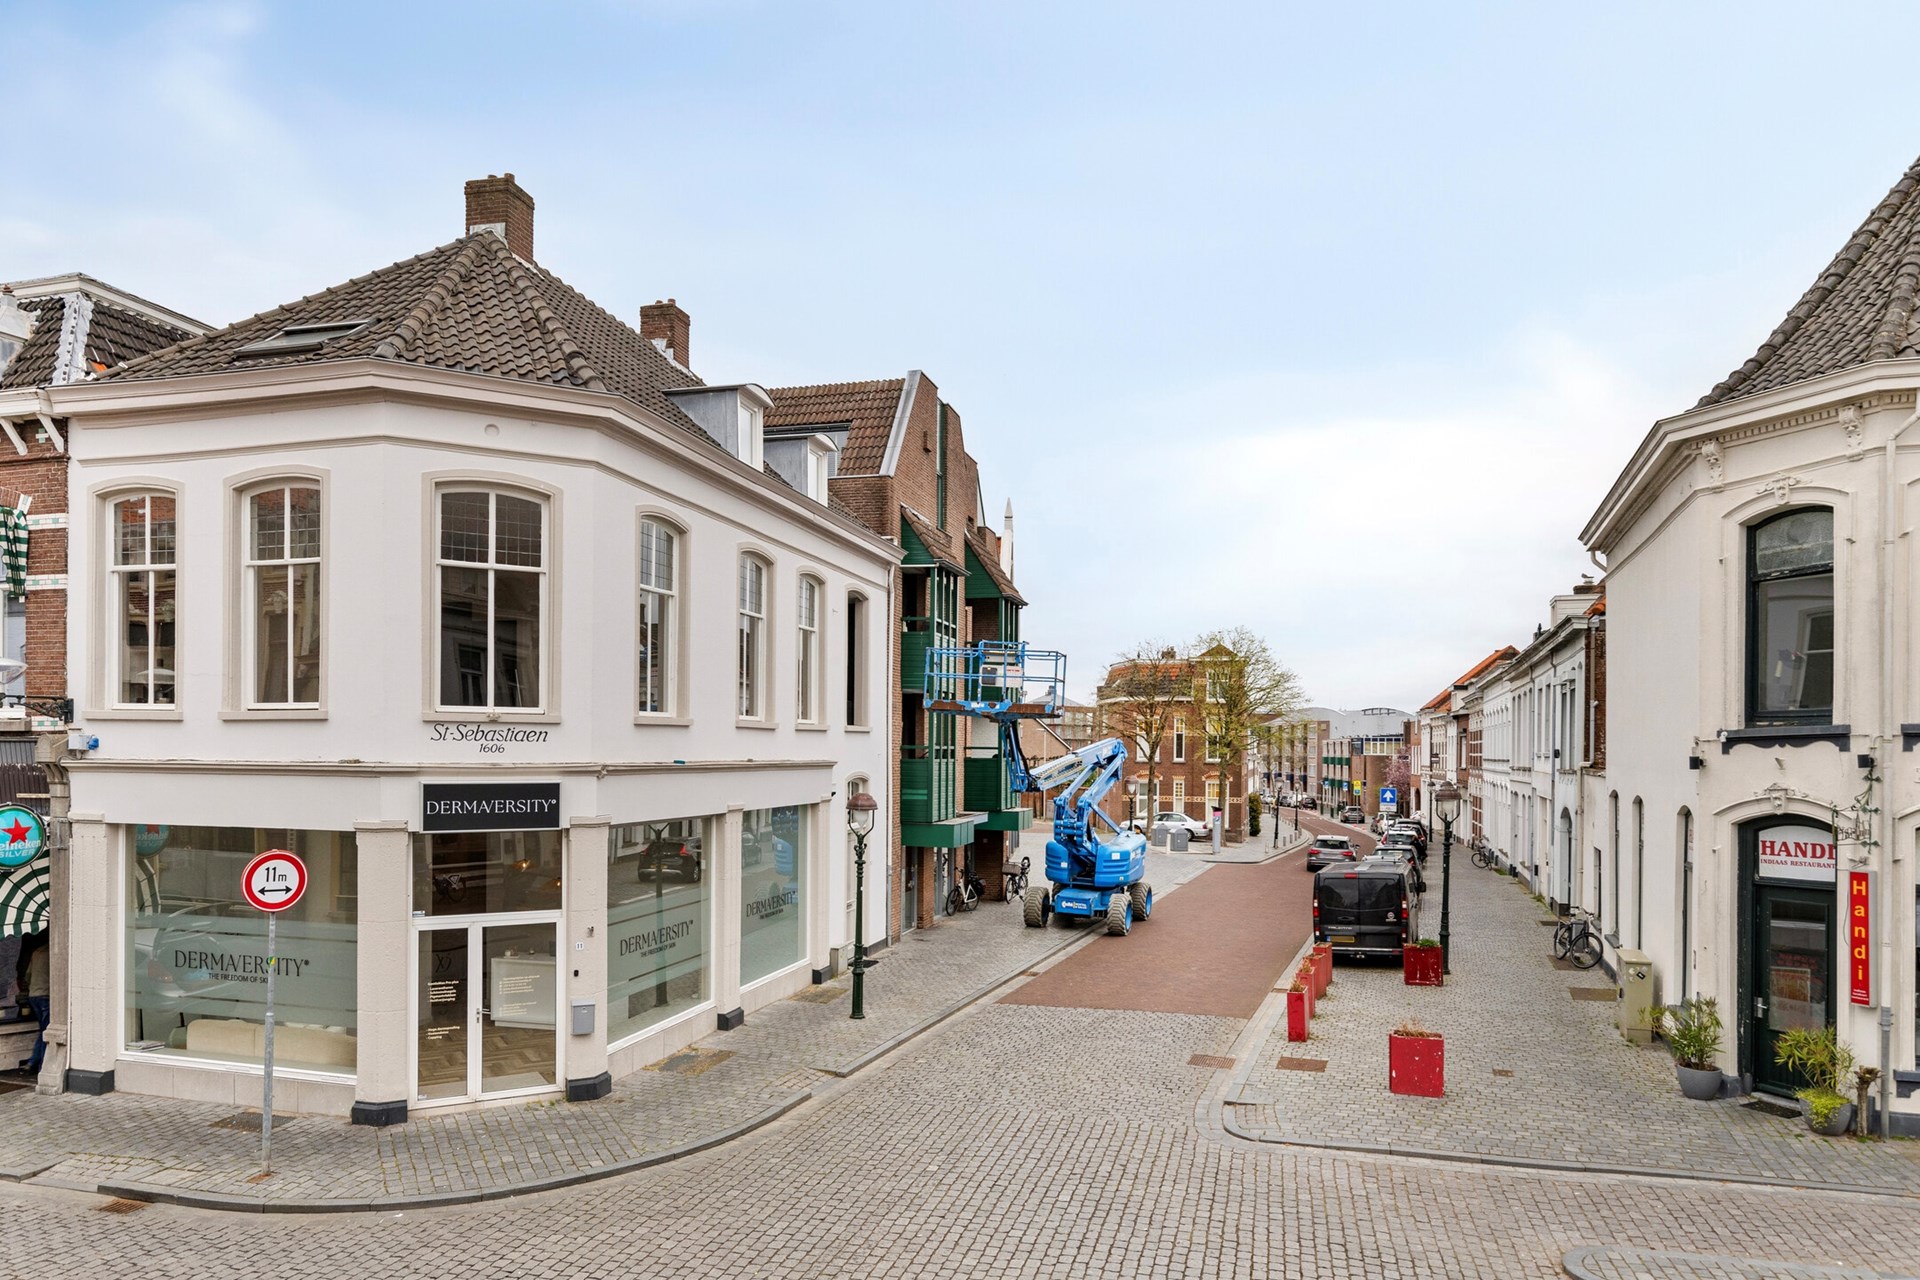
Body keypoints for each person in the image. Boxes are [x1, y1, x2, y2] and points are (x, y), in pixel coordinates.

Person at [18, 932, 48, 1073]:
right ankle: (43, 1064)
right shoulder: (53, 952)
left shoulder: (36, 953)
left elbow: (27, 975)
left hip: (33, 995)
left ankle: (32, 1062)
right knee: (47, 1032)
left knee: (43, 1030)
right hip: (46, 995)